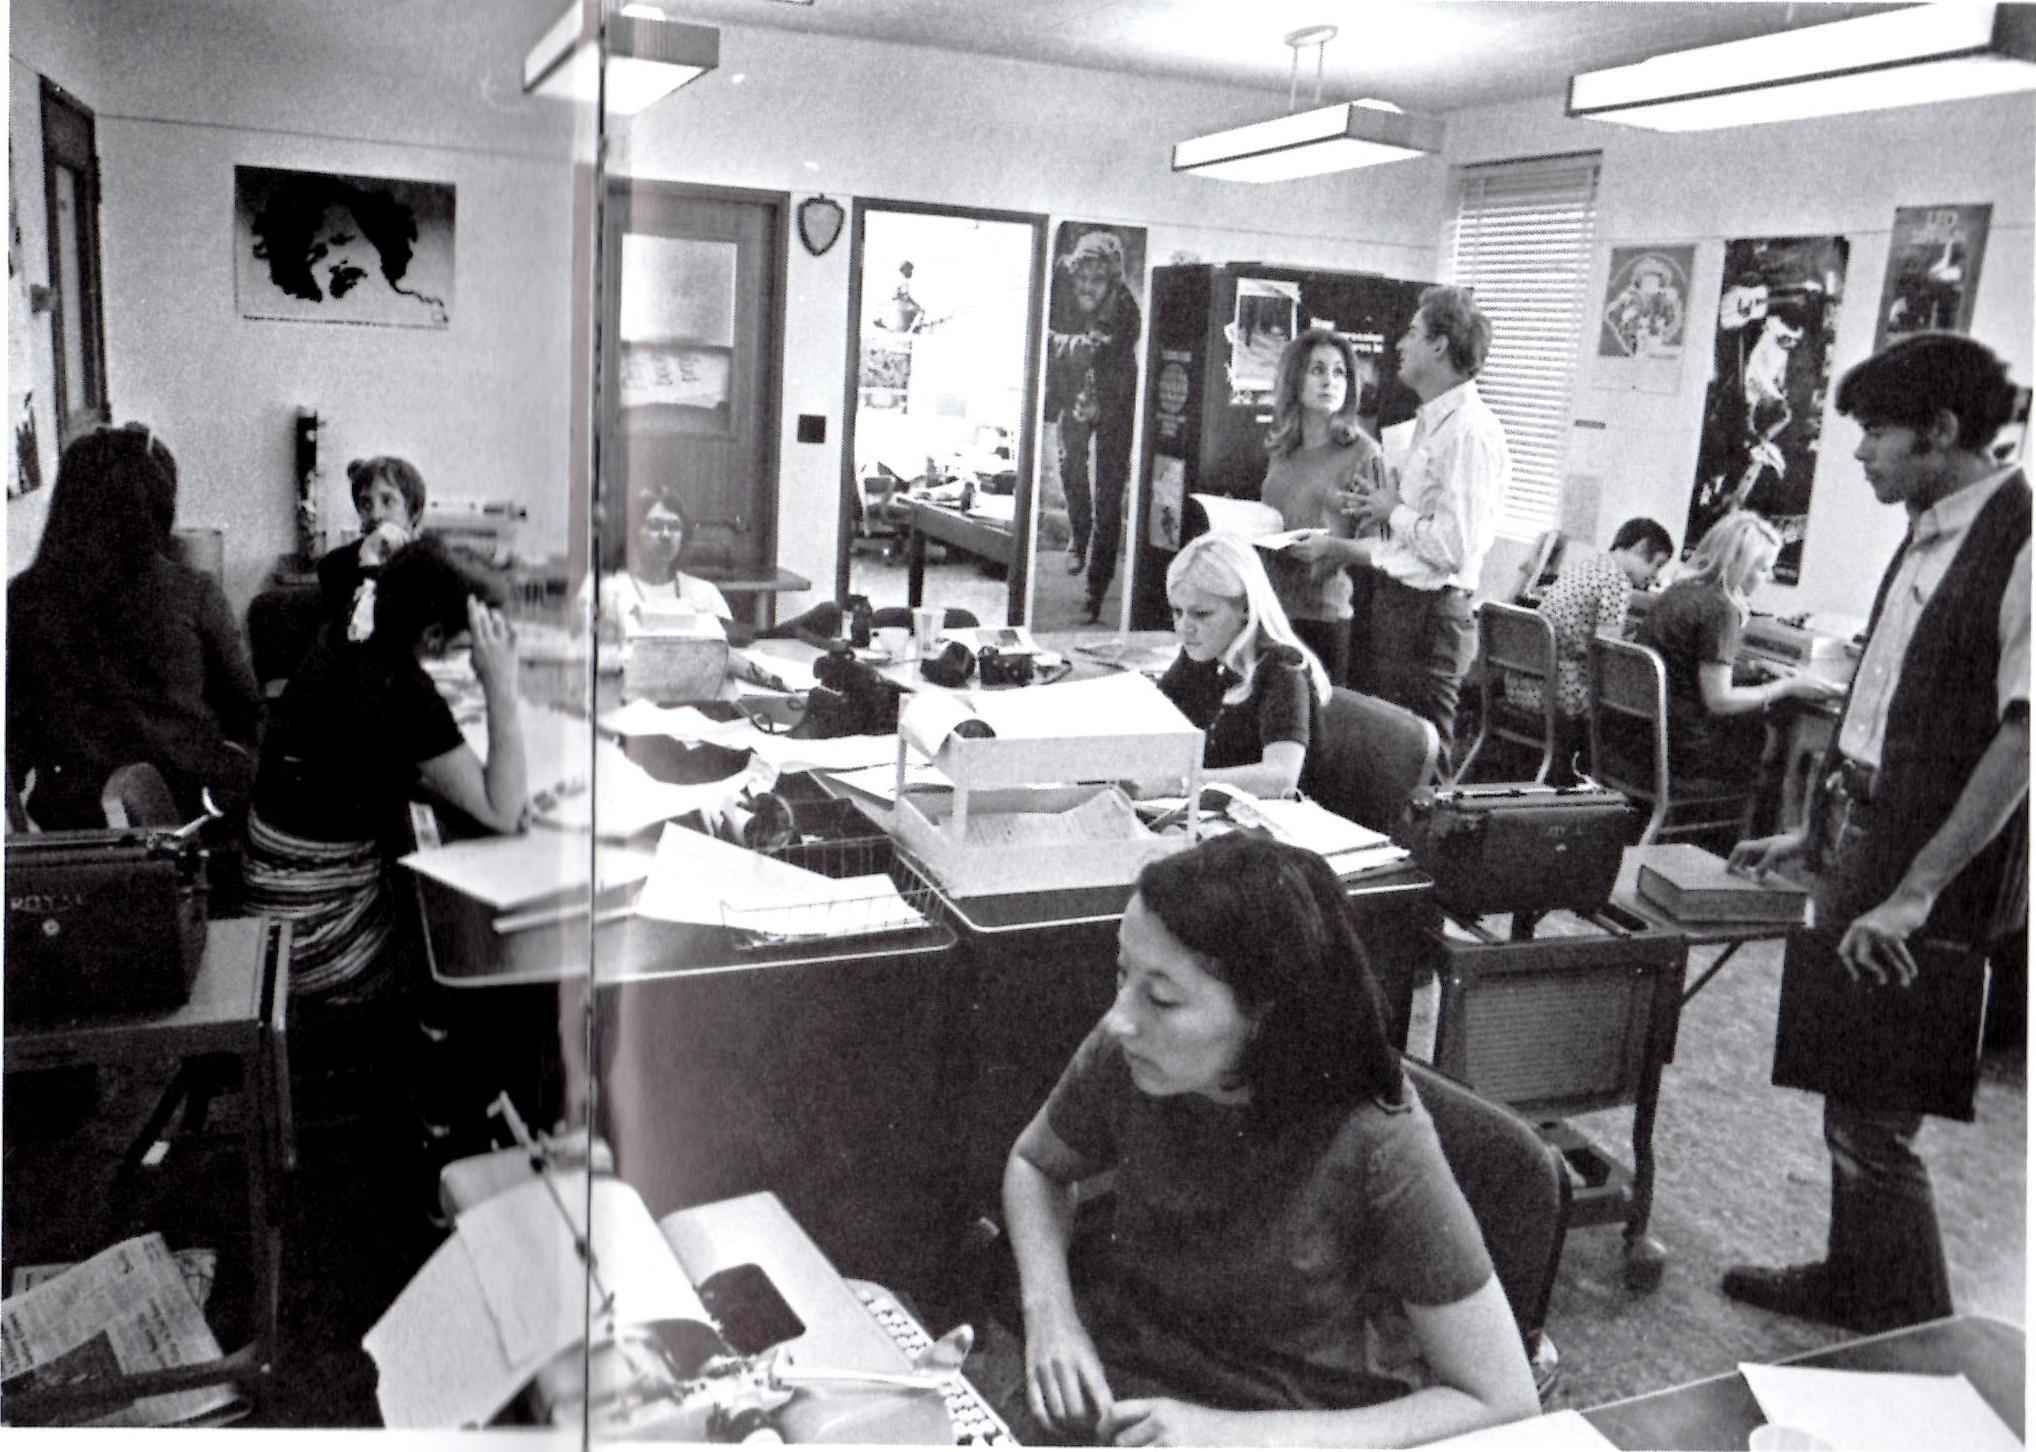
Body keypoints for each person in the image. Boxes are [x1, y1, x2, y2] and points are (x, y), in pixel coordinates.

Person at [1000, 833, 1539, 1447]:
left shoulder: (1378, 1139)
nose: (1121, 1017)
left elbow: (1503, 1399)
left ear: (1264, 1016)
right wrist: (1051, 1316)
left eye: (1162, 997)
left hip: (1301, 1423)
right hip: (1140, 1381)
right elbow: (1036, 1164)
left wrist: (1232, 1437)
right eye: (1124, 974)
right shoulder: (1131, 1052)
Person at [1722, 333, 2028, 1333]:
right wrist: (1812, 834)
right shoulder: (1927, 526)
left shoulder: (2020, 540)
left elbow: (2021, 742)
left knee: (1877, 1113)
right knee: (1848, 1088)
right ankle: (1856, 1280)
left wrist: (1917, 892)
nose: (1857, 453)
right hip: (1873, 838)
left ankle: (1916, 1336)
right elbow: (1885, 707)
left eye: (1875, 432)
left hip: (1935, 870)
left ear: (1941, 429)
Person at [245, 537, 526, 1007]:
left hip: (273, 913)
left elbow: (382, 761)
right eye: (468, 644)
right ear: (433, 637)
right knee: (478, 960)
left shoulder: (350, 636)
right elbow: (504, 812)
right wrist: (501, 687)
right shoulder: (403, 690)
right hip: (319, 943)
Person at [7, 422, 261, 829]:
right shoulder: (192, 593)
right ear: (154, 508)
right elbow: (245, 713)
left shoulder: (24, 599)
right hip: (186, 820)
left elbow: (13, 744)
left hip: (77, 827)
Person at [1330, 286, 1510, 763]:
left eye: (1412, 332)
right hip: (1401, 606)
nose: (1399, 344)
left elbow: (1453, 547)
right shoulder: (1434, 423)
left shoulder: (1469, 431)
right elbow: (1419, 531)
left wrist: (1393, 511)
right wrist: (1380, 511)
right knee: (1390, 756)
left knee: (1424, 762)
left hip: (1430, 617)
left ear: (1440, 345)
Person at [1629, 511, 1841, 786]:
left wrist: (1754, 669)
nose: (1768, 577)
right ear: (1738, 563)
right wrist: (1786, 687)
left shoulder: (1678, 590)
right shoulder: (1721, 608)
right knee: (1769, 734)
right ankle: (1762, 814)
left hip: (1641, 737)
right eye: (1762, 569)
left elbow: (1686, 669)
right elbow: (1720, 701)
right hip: (1680, 750)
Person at [1145, 532, 1331, 801]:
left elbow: (1281, 777)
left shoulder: (1283, 668)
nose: (1184, 627)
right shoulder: (1202, 655)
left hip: (1280, 818)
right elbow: (1154, 722)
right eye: (1177, 611)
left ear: (1246, 607)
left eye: (1201, 614)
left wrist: (1181, 783)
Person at [1502, 517, 1674, 782]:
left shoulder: (1586, 566)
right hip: (1561, 694)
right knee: (1642, 712)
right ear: (1640, 548)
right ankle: (1602, 781)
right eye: (1657, 564)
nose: (1655, 576)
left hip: (1524, 684)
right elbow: (1607, 654)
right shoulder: (1617, 581)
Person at [1261, 328, 1387, 685]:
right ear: (1295, 378)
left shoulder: (1365, 453)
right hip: (1270, 608)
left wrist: (1329, 546)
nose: (1329, 381)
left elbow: (1381, 546)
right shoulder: (1283, 447)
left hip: (1322, 617)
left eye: (1339, 372)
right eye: (1317, 370)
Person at [580, 482, 842, 650]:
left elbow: (731, 651)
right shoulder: (606, 589)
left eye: (674, 526)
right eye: (655, 525)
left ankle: (785, 634)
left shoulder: (702, 592)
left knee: (751, 639)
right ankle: (785, 633)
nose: (666, 535)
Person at [1045, 231, 1141, 621]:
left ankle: (1096, 588)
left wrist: (1081, 348)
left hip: (1114, 399)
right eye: (1082, 278)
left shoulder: (1126, 310)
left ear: (1112, 281)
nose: (1087, 286)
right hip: (1075, 391)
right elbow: (1045, 335)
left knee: (1108, 493)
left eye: (1097, 280)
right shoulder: (1062, 292)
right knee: (1070, 464)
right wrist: (1071, 345)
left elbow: (1103, 350)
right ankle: (1079, 535)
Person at [318, 455, 427, 630]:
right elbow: (353, 635)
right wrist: (369, 562)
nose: (376, 515)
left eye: (388, 501)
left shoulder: (431, 564)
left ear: (413, 512)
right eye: (366, 503)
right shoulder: (335, 566)